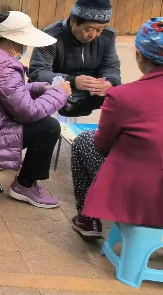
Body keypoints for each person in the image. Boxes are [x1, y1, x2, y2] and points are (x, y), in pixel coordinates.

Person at [70, 17, 163, 237]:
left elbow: (102, 145)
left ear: (140, 56)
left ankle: (88, 220)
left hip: (144, 197)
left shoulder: (123, 96)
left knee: (84, 141)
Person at [0, 11, 71, 208]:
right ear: (12, 42)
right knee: (48, 127)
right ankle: (25, 185)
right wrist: (60, 93)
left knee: (44, 123)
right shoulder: (5, 67)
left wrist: (39, 88)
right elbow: (28, 113)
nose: (25, 47)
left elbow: (5, 92)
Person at [28, 0, 121, 117]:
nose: (94, 35)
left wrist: (109, 82)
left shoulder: (107, 36)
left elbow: (111, 66)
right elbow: (38, 71)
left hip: (90, 93)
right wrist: (72, 80)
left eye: (99, 30)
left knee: (123, 98)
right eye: (89, 29)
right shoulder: (51, 36)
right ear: (73, 21)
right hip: (59, 90)